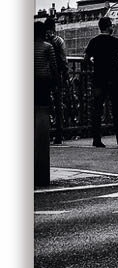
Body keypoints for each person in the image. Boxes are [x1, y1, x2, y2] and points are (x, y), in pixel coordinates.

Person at [82, 15, 118, 146]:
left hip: (98, 78)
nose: (113, 27)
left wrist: (93, 61)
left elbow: (85, 60)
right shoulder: (116, 42)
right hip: (113, 78)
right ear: (109, 27)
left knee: (97, 109)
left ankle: (96, 139)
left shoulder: (93, 41)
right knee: (116, 108)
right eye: (112, 25)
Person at [34, 18, 58, 189]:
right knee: (43, 112)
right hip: (44, 82)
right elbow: (54, 67)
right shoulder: (48, 47)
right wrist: (56, 83)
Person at [44, 14, 69, 143]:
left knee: (43, 105)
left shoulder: (41, 41)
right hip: (56, 75)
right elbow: (63, 59)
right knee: (58, 105)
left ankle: (44, 133)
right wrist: (65, 73)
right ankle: (59, 134)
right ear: (54, 27)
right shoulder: (58, 40)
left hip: (42, 76)